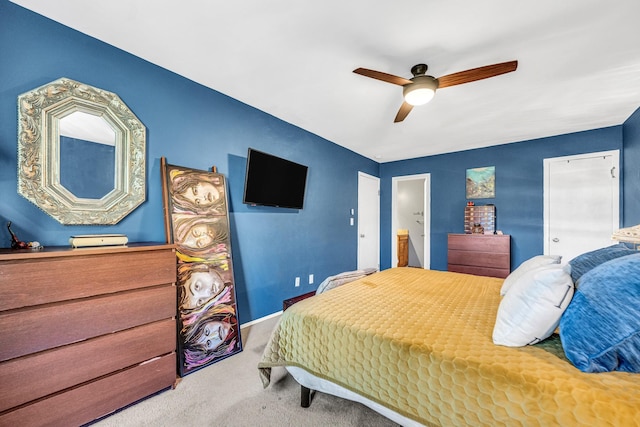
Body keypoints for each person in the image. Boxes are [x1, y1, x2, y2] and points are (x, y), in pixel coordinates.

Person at [182, 304, 239, 371]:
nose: (215, 334)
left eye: (207, 332)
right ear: (214, 350)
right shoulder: (234, 343)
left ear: (204, 322)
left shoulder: (228, 309)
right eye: (208, 343)